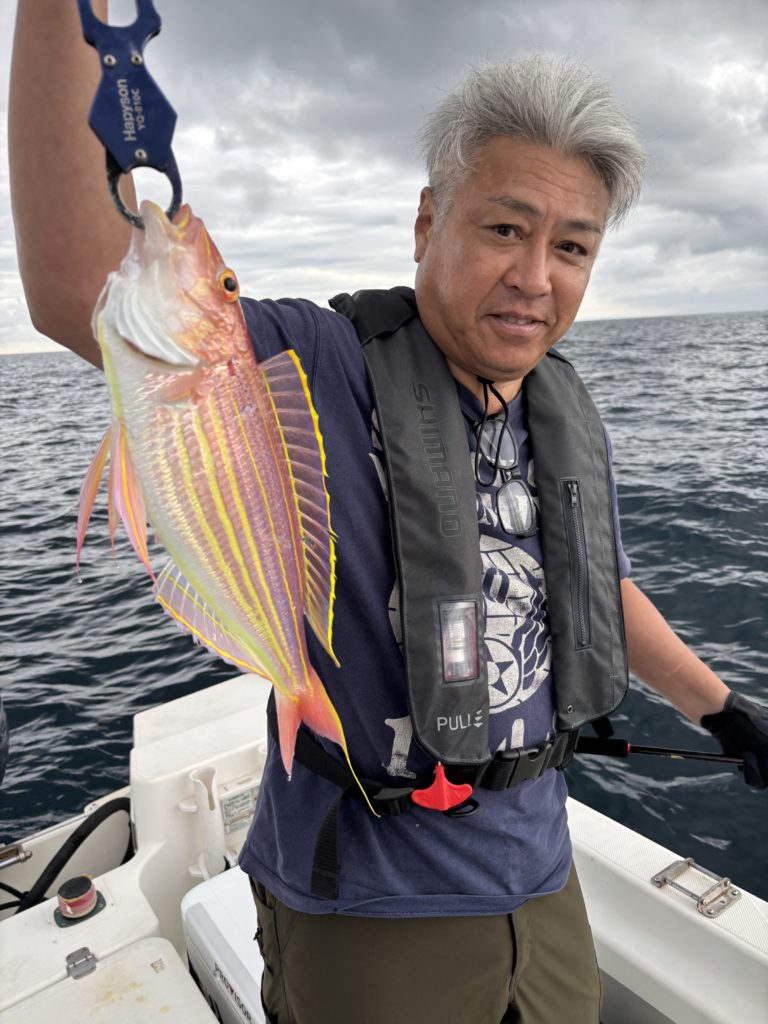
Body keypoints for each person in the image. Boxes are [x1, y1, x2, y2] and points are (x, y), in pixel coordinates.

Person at [9, 5, 768, 1023]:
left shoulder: (561, 407)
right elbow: (79, 288)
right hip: (368, 902)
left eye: (573, 247)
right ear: (426, 223)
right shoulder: (319, 363)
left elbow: (596, 589)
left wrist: (724, 709)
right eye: (505, 228)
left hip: (542, 873)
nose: (535, 277)